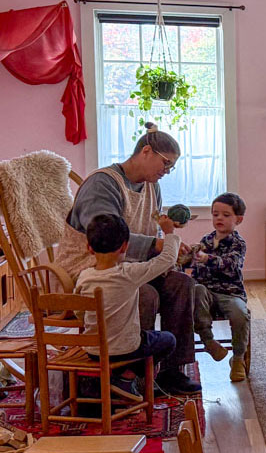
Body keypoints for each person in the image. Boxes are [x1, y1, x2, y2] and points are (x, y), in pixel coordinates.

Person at [56, 122, 201, 395]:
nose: (167, 171)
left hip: (130, 268)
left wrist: (168, 239)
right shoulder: (103, 183)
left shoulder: (151, 187)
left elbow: (151, 228)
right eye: (166, 163)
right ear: (146, 151)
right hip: (93, 268)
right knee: (144, 295)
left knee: (181, 284)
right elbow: (103, 234)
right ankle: (127, 374)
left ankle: (172, 370)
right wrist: (158, 245)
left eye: (172, 167)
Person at [74, 214, 178, 391]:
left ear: (89, 248)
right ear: (124, 246)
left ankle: (118, 379)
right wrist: (169, 233)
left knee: (140, 341)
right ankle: (127, 378)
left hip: (94, 351)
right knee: (168, 340)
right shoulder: (128, 273)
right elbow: (167, 259)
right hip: (126, 349)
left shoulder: (84, 277)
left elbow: (79, 311)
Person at [191, 193, 250, 382]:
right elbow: (195, 267)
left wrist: (208, 259)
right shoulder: (206, 241)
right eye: (215, 214)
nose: (219, 219)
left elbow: (231, 264)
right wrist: (189, 257)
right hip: (207, 291)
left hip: (230, 293)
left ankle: (238, 358)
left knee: (240, 314)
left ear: (238, 220)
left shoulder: (238, 243)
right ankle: (208, 341)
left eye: (225, 215)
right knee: (196, 292)